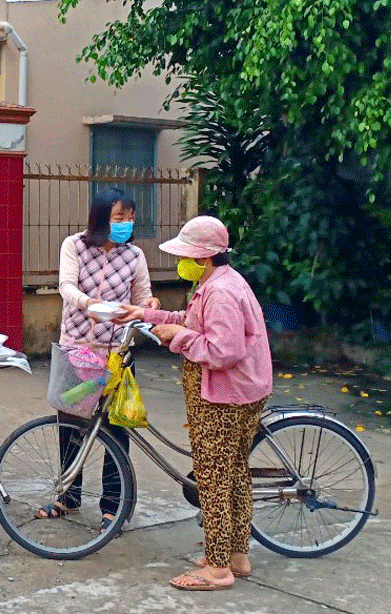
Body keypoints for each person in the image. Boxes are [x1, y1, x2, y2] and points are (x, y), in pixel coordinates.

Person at [118, 215, 272, 591]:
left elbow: (223, 350)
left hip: (224, 396)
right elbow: (191, 320)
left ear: (204, 259)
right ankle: (236, 554)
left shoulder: (220, 292)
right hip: (241, 391)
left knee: (214, 479)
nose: (180, 263)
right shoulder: (219, 282)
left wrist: (179, 337)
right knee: (234, 474)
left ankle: (218, 569)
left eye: (185, 257)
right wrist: (148, 315)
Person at [36, 188, 159, 531]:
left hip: (118, 355)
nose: (125, 224)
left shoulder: (134, 256)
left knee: (116, 429)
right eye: (119, 217)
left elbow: (143, 296)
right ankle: (67, 495)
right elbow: (66, 286)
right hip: (78, 352)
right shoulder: (74, 246)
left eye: (130, 218)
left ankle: (112, 507)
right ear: (101, 216)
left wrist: (150, 306)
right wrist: (88, 304)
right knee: (70, 425)